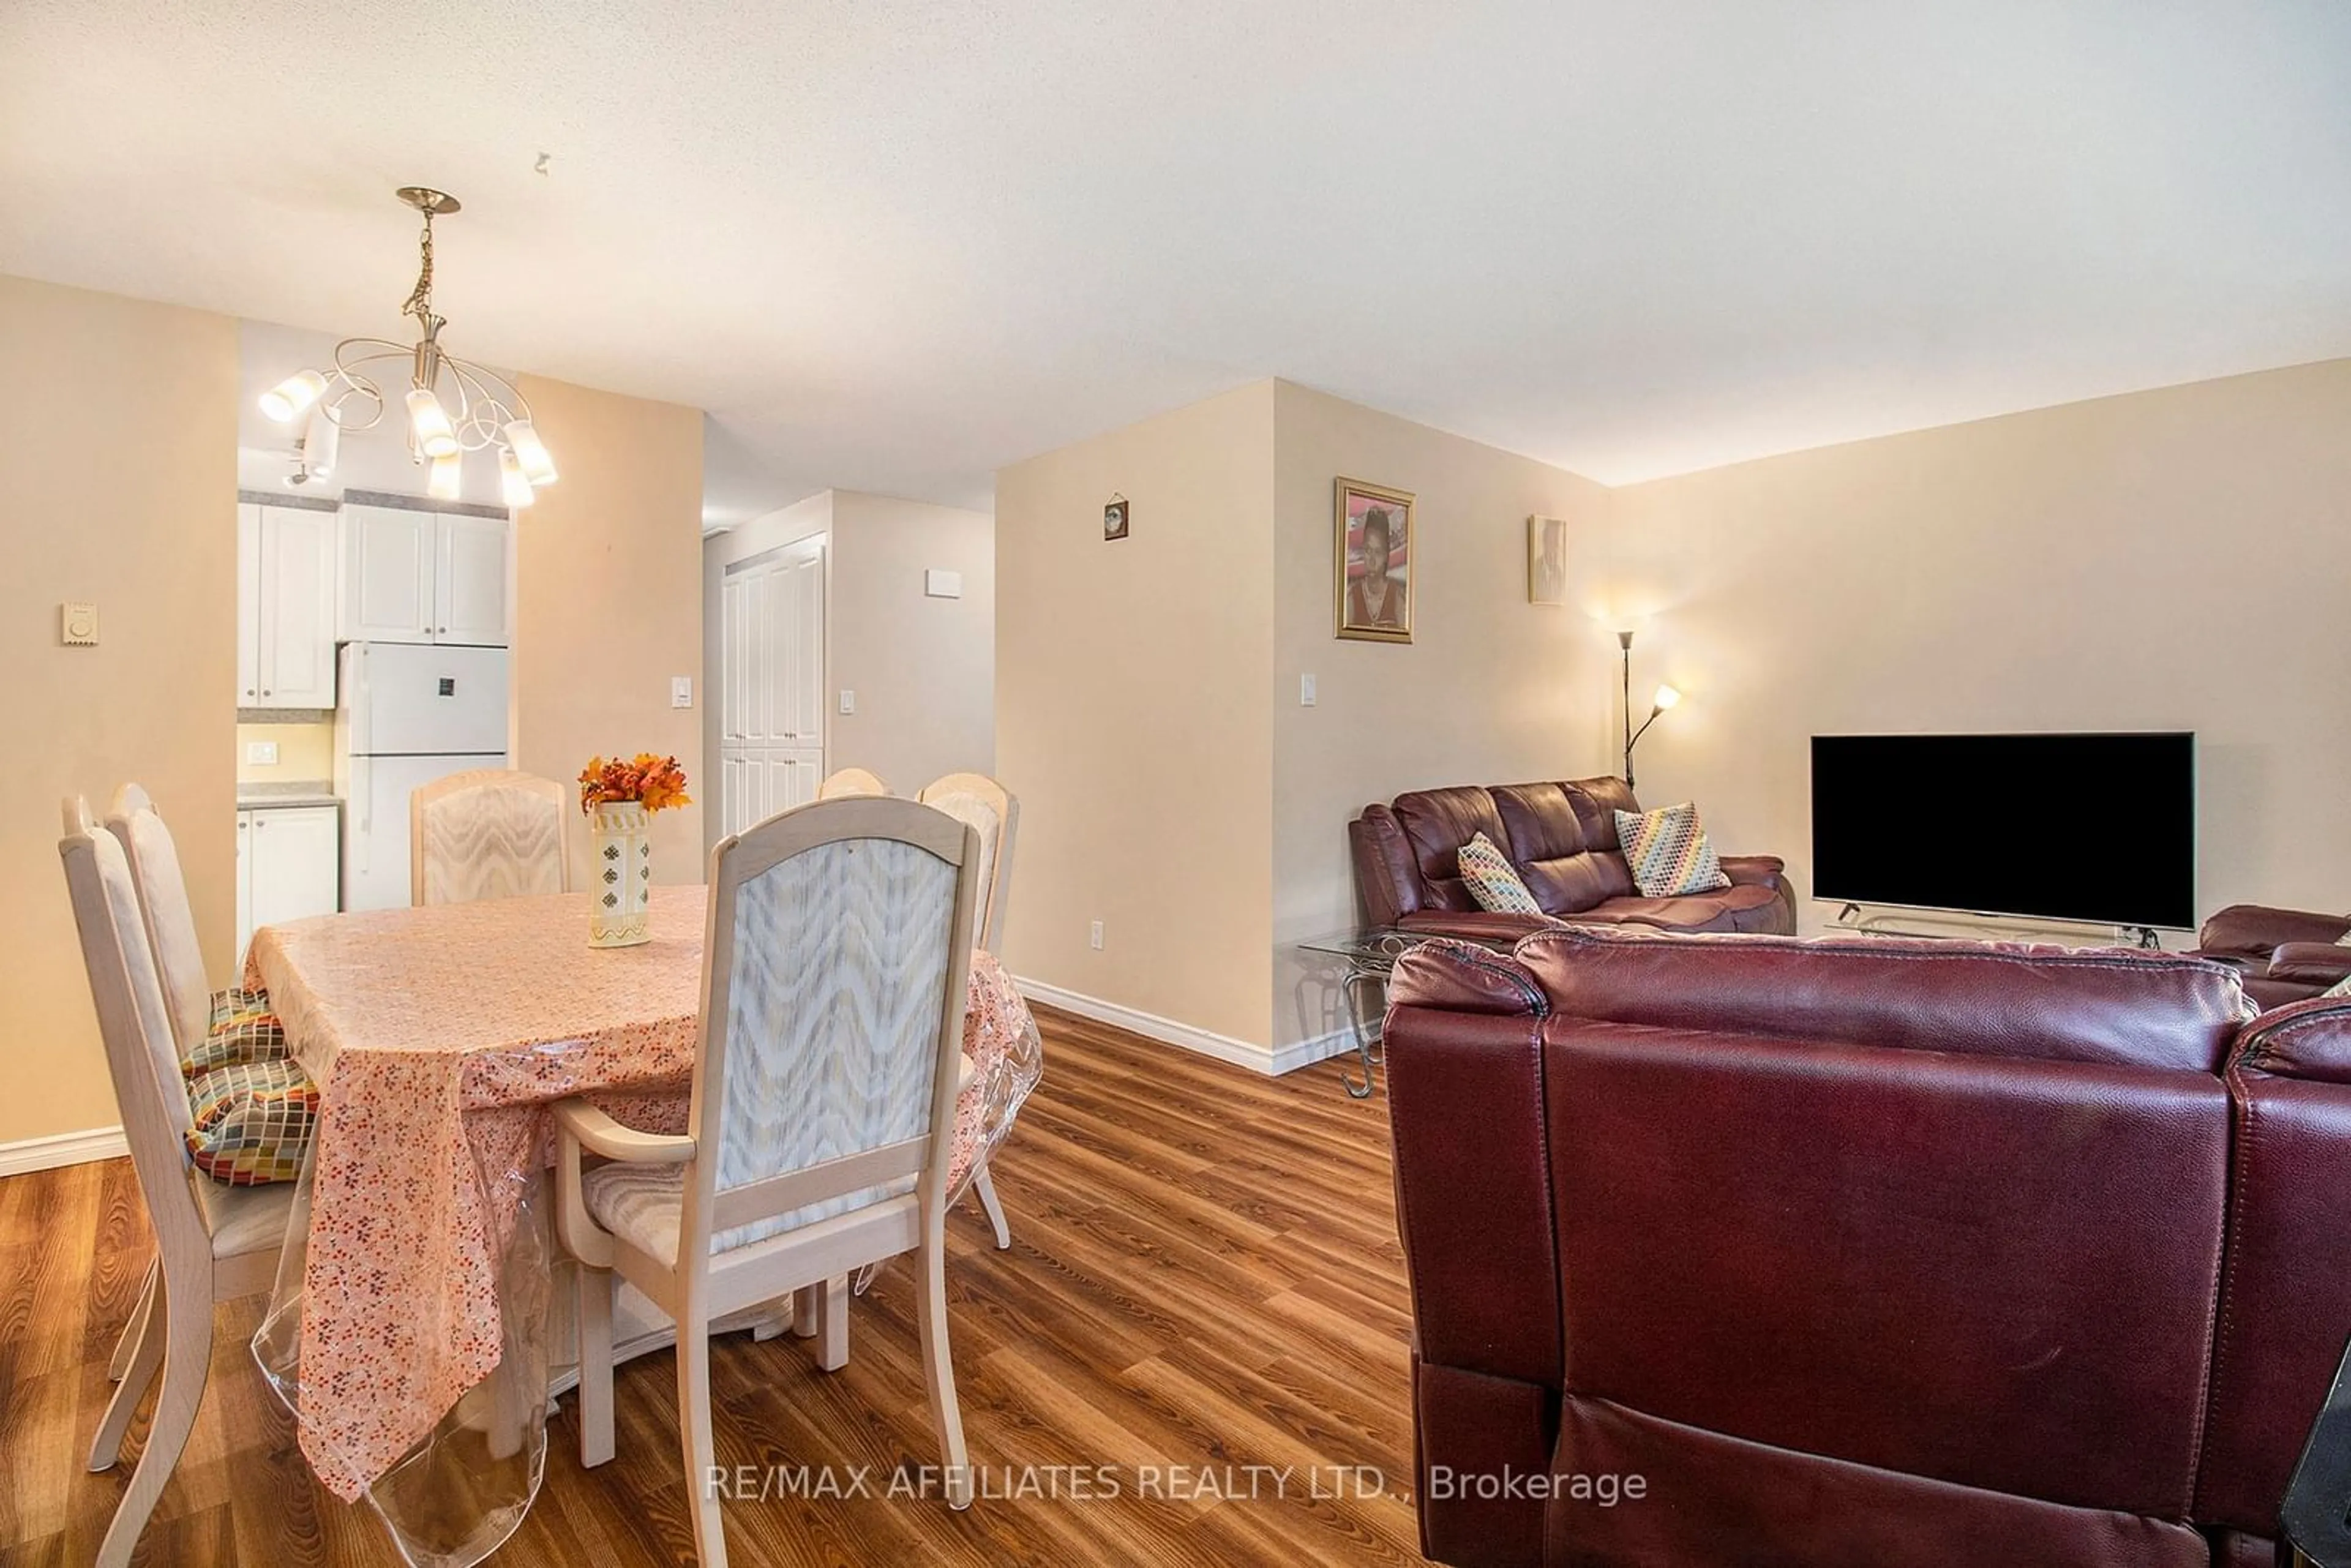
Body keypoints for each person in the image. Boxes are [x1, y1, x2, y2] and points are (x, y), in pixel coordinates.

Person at [1348, 506, 1407, 629]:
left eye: (1378, 552)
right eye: (1368, 551)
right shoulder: (1353, 596)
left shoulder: (1397, 597)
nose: (1372, 561)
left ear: (1386, 555)